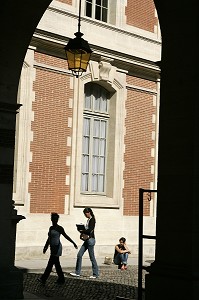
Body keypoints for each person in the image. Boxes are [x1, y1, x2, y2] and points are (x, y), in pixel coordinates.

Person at [37, 212, 78, 285]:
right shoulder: (51, 228)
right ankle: (61, 279)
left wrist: (73, 243)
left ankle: (43, 278)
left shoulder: (60, 228)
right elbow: (49, 238)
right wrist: (45, 247)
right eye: (53, 219)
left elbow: (66, 236)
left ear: (57, 220)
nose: (54, 220)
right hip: (52, 248)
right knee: (56, 264)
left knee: (50, 264)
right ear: (51, 219)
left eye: (56, 219)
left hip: (57, 248)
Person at [70, 207, 99, 278]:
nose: (85, 215)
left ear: (89, 212)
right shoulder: (89, 220)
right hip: (87, 240)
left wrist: (82, 231)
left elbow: (90, 230)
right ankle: (77, 272)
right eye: (84, 214)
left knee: (92, 257)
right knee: (79, 255)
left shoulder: (92, 219)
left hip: (90, 240)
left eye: (86, 213)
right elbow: (87, 229)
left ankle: (95, 274)